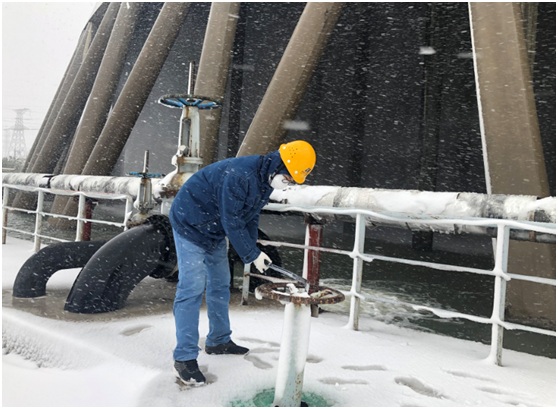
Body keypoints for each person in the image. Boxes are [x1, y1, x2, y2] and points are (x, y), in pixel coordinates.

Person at [169, 140, 316, 385]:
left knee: (220, 284)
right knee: (192, 288)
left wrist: (254, 250)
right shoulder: (240, 175)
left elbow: (249, 215)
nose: (288, 186)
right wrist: (250, 255)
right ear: (281, 165)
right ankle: (184, 358)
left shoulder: (264, 178)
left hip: (213, 229)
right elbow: (232, 219)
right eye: (289, 180)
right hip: (190, 224)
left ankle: (218, 341)